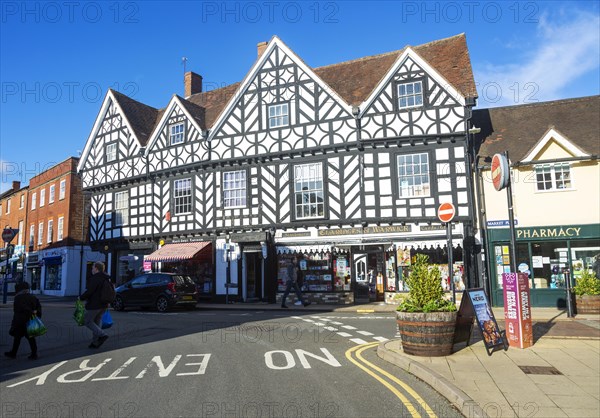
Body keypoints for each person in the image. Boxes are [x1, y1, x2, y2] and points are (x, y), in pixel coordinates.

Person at [4, 282, 41, 360]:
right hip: (30, 320)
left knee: (17, 338)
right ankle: (34, 354)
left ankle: (13, 353)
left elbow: (17, 310)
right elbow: (38, 309)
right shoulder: (33, 297)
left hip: (20, 321)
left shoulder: (18, 298)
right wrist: (35, 314)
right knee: (31, 338)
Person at [79, 261, 110, 349]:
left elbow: (90, 291)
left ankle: (102, 335)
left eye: (92, 267)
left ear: (96, 268)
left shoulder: (96, 278)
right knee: (97, 321)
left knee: (87, 321)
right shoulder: (106, 277)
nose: (92, 269)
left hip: (95, 304)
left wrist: (81, 298)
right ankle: (95, 342)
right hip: (104, 304)